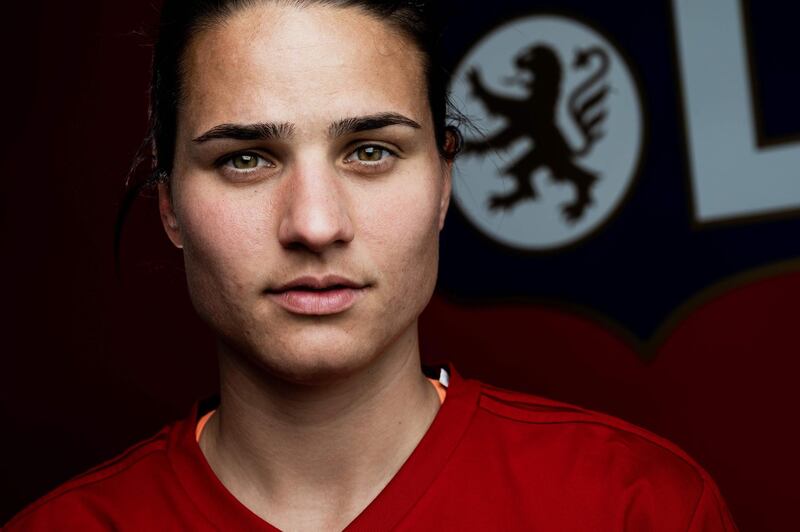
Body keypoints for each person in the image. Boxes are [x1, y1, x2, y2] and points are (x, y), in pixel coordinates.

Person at [5, 1, 738, 530]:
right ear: (170, 206)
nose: (315, 225)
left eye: (371, 151)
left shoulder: (634, 507)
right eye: (247, 159)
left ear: (444, 184)